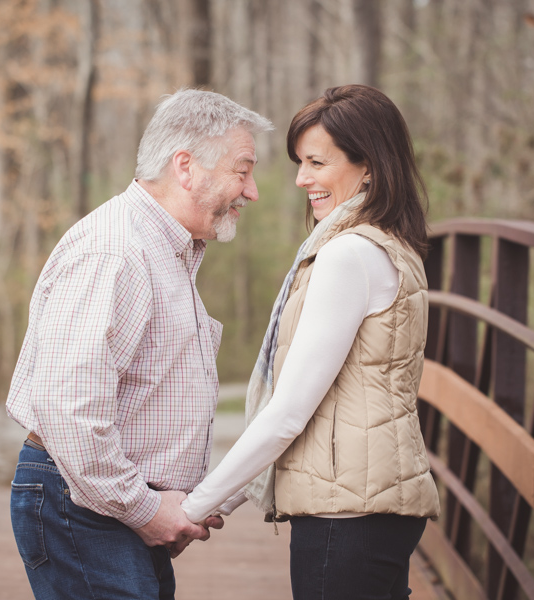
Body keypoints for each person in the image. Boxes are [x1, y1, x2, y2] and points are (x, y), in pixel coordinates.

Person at [6, 89, 273, 600]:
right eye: (242, 171)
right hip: (82, 503)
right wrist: (146, 509)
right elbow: (68, 408)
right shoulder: (115, 251)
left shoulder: (164, 250)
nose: (252, 191)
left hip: (108, 502)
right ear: (185, 167)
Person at [181, 84, 441, 600]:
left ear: (369, 167)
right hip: (375, 505)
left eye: (317, 163)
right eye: (301, 162)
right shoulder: (389, 245)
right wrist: (221, 501)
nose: (302, 179)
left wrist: (192, 508)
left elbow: (288, 413)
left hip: (346, 517)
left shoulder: (348, 255)